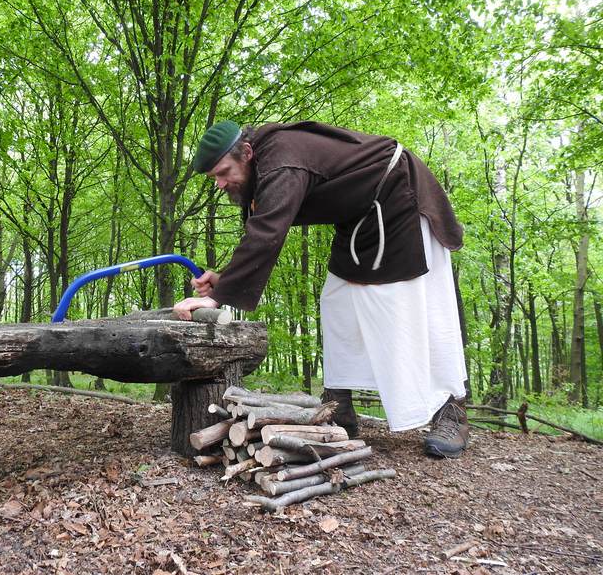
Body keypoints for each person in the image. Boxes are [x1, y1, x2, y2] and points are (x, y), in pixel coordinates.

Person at [173, 120, 469, 458]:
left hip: (399, 201)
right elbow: (260, 224)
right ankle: (339, 408)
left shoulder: (283, 159)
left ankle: (451, 411)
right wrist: (225, 279)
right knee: (338, 303)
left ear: (247, 153)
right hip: (360, 217)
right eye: (215, 178)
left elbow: (268, 231)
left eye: (224, 172)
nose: (221, 183)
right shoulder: (265, 164)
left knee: (407, 305)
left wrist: (218, 295)